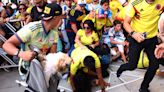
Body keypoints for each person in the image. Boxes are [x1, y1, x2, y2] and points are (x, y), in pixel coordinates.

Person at [2, 3, 63, 92]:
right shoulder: (32, 28)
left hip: (43, 69)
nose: (61, 21)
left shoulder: (54, 33)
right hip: (29, 69)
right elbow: (6, 45)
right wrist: (21, 53)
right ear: (55, 18)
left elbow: (52, 55)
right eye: (60, 17)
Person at [116, 0, 164, 92]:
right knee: (132, 65)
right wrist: (134, 34)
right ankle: (122, 68)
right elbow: (125, 23)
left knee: (154, 65)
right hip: (136, 38)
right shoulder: (135, 3)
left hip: (152, 39)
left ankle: (144, 87)